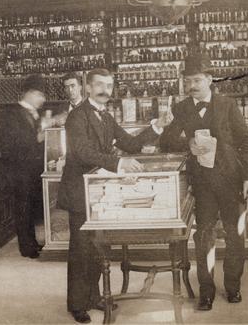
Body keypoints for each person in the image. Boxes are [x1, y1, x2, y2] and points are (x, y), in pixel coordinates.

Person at [57, 68, 170, 323]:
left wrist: (157, 127)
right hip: (79, 192)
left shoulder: (106, 117)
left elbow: (130, 144)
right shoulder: (77, 117)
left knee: (98, 247)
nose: (105, 90)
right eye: (99, 85)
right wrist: (119, 165)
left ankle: (94, 296)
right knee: (80, 249)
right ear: (87, 88)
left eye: (109, 86)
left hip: (97, 188)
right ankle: (76, 304)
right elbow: (84, 153)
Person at [160, 53, 248, 311]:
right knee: (203, 237)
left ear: (209, 80)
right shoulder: (180, 108)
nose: (191, 85)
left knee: (235, 235)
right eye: (188, 81)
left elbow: (246, 143)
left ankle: (233, 286)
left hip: (232, 181)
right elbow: (165, 141)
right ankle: (206, 291)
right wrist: (187, 143)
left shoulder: (227, 105)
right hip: (201, 185)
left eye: (197, 80)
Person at [1, 74, 47, 259]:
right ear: (29, 93)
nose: (42, 100)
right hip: (19, 172)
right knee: (23, 209)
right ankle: (26, 247)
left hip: (32, 170)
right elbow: (15, 144)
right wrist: (39, 137)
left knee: (30, 208)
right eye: (40, 95)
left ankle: (32, 242)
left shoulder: (33, 113)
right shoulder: (13, 114)